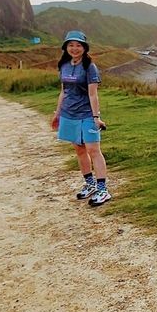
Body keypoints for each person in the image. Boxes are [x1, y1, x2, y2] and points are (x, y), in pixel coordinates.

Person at [50, 30, 111, 207]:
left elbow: (93, 95)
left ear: (84, 48)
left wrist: (96, 117)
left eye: (78, 45)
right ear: (65, 47)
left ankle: (102, 190)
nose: (74, 48)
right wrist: (57, 113)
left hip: (86, 114)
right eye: (71, 45)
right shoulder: (64, 65)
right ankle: (90, 184)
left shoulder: (89, 67)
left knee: (93, 150)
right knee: (79, 150)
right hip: (69, 114)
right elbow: (63, 91)